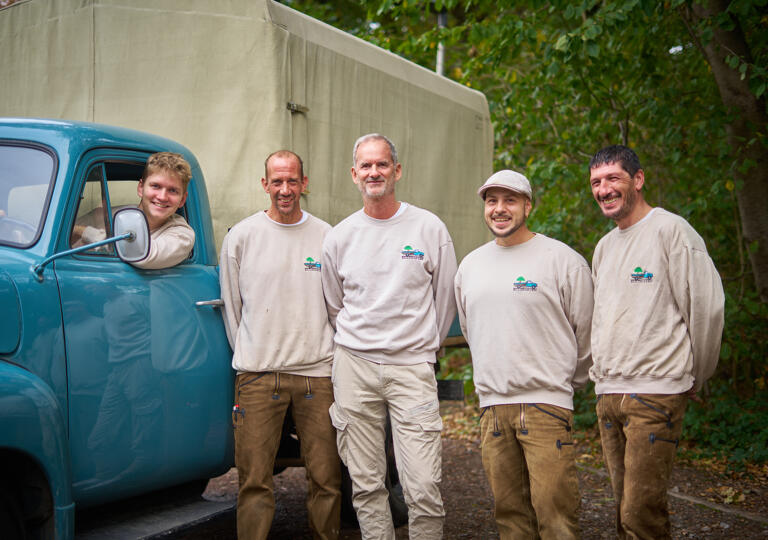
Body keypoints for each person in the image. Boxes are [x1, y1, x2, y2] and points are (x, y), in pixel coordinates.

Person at [321, 133, 457, 539]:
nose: (374, 172)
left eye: (382, 164)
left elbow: (445, 297)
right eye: (366, 165)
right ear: (354, 174)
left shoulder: (428, 228)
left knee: (423, 486)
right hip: (355, 366)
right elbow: (333, 303)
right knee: (365, 484)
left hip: (411, 366)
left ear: (397, 170)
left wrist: (424, 349)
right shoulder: (340, 236)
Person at [588, 145, 725, 539]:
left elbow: (707, 308)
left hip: (656, 392)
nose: (604, 189)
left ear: (639, 179)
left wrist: (696, 373)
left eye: (613, 178)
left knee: (641, 514)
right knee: (622, 510)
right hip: (609, 394)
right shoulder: (605, 247)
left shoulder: (671, 231)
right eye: (596, 182)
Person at [454, 170, 593, 539]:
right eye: (491, 201)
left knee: (556, 518)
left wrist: (563, 387)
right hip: (493, 410)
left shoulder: (561, 260)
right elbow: (471, 329)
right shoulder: (470, 266)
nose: (499, 209)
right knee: (510, 518)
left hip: (545, 406)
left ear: (528, 205)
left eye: (509, 200)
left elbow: (588, 332)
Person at [219, 150, 340, 540]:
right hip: (257, 375)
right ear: (264, 184)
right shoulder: (242, 237)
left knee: (326, 479)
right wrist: (252, 353)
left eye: (292, 181)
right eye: (277, 181)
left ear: (304, 183)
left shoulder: (326, 236)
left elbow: (338, 305)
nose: (284, 189)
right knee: (254, 481)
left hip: (317, 375)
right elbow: (232, 307)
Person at [71, 151, 195, 269]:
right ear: (141, 188)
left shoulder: (182, 236)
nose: (162, 197)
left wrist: (85, 232)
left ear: (182, 199)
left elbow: (141, 253)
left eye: (173, 190)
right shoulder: (105, 214)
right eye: (156, 186)